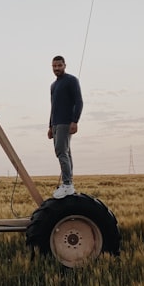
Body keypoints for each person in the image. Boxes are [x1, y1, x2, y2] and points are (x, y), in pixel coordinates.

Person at [48, 55, 83, 199]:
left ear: (64, 65)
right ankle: (68, 183)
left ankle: (67, 184)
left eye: (59, 66)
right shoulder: (53, 85)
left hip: (65, 122)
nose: (56, 68)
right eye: (54, 66)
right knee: (66, 152)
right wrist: (50, 126)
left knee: (61, 151)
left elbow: (79, 101)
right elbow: (53, 107)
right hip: (56, 123)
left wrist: (75, 121)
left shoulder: (71, 80)